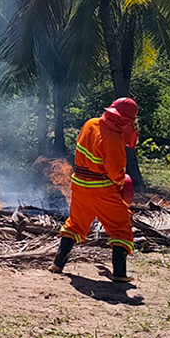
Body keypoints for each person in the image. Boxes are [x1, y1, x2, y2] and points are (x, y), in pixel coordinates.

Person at [50, 98, 137, 282]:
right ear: (126, 120)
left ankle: (58, 263)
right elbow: (116, 173)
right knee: (121, 228)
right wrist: (122, 184)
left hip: (80, 184)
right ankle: (120, 274)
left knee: (75, 224)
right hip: (102, 188)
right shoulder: (113, 139)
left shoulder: (90, 123)